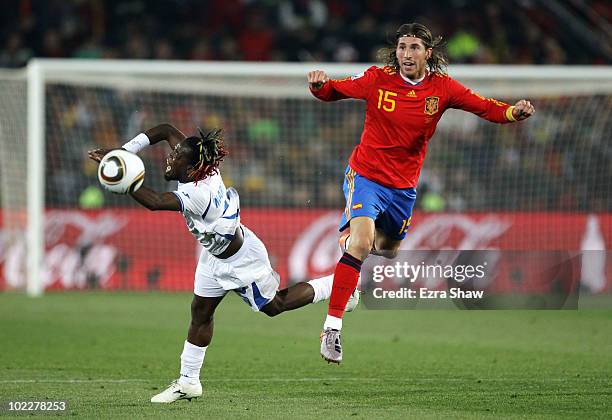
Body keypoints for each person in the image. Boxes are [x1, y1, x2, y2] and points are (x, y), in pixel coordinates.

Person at [307, 22, 535, 364]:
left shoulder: (442, 88)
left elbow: (484, 106)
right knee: (361, 243)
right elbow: (334, 91)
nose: (406, 54)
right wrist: (319, 86)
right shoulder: (377, 78)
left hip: (403, 187)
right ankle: (332, 330)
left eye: (414, 47)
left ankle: (349, 246)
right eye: (402, 47)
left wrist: (512, 113)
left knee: (387, 250)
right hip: (366, 175)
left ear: (428, 53)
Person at [88, 123, 358, 403]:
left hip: (241, 262)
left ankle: (338, 285)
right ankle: (188, 382)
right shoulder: (198, 164)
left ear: (191, 169)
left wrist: (124, 177)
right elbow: (166, 130)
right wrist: (123, 152)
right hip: (213, 256)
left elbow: (155, 201)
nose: (170, 157)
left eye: (176, 157)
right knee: (200, 312)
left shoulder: (197, 194)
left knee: (274, 306)